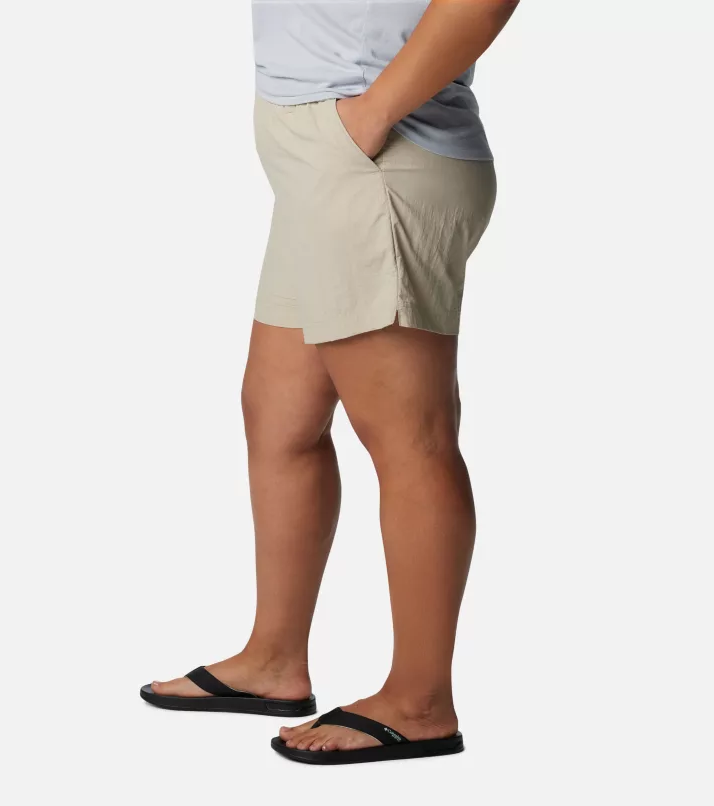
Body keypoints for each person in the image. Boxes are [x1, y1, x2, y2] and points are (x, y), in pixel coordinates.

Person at [141, 0, 519, 765]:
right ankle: (272, 659)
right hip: (326, 161)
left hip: (378, 154)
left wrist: (370, 116)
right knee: (281, 417)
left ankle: (420, 702)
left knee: (409, 439)